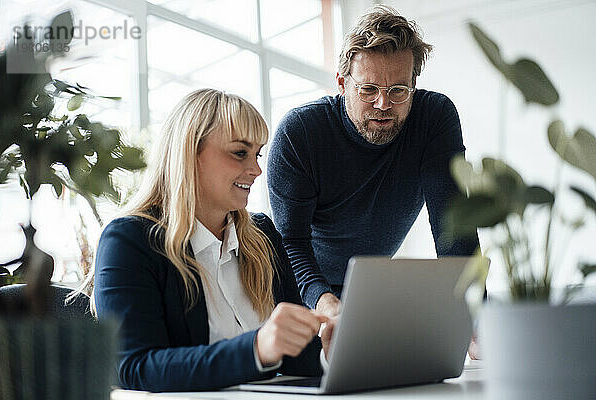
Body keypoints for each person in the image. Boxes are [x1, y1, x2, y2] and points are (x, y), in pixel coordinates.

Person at [88, 89, 333, 392]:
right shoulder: (130, 241)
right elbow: (134, 367)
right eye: (240, 152)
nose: (256, 169)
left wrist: (330, 353)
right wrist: (255, 349)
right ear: (191, 153)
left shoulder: (262, 236)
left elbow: (296, 357)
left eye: (257, 154)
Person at [267, 5, 480, 319]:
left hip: (366, 290)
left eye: (398, 90)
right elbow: (292, 242)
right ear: (342, 83)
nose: (383, 104)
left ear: (414, 86)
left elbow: (452, 227)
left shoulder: (433, 118)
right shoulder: (300, 133)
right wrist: (325, 302)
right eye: (368, 89)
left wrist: (474, 319)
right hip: (296, 290)